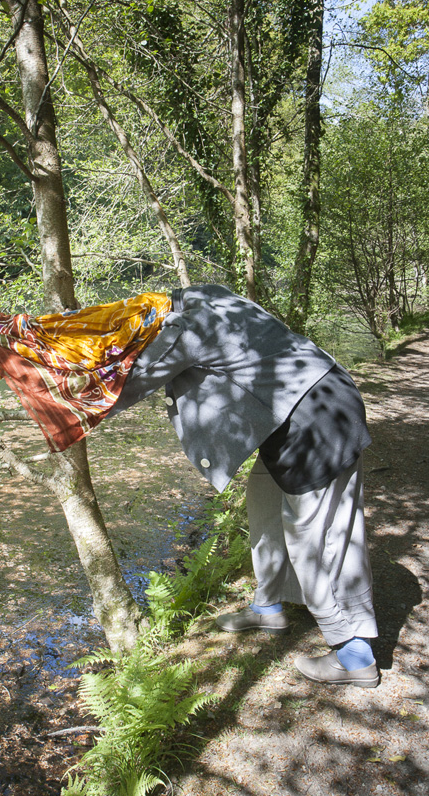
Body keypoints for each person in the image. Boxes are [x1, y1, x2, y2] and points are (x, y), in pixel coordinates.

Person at [108, 284, 379, 688]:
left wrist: (59, 397)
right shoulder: (205, 295)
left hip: (315, 422)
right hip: (295, 410)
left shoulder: (183, 325)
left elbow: (130, 384)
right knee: (265, 508)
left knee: (317, 539)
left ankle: (353, 653)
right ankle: (267, 608)